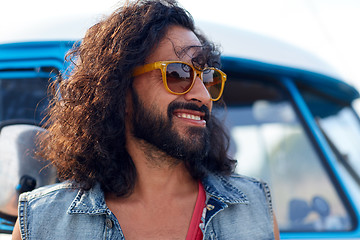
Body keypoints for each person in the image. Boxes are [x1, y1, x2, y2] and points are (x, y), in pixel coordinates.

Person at [12, 0, 280, 239]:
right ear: (119, 91)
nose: (202, 95)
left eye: (207, 78)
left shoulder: (253, 209)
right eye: (178, 73)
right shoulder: (41, 223)